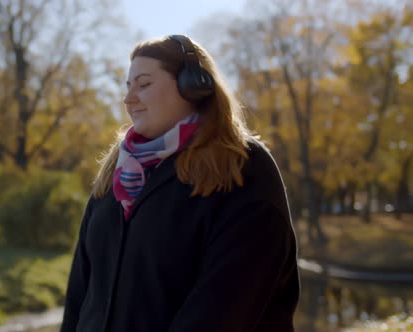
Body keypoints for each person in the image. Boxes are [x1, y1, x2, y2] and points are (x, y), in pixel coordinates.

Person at [60, 34, 300, 332]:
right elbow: (79, 295)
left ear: (193, 87)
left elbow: (223, 311)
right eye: (128, 86)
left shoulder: (242, 166)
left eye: (144, 84)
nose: (129, 98)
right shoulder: (116, 174)